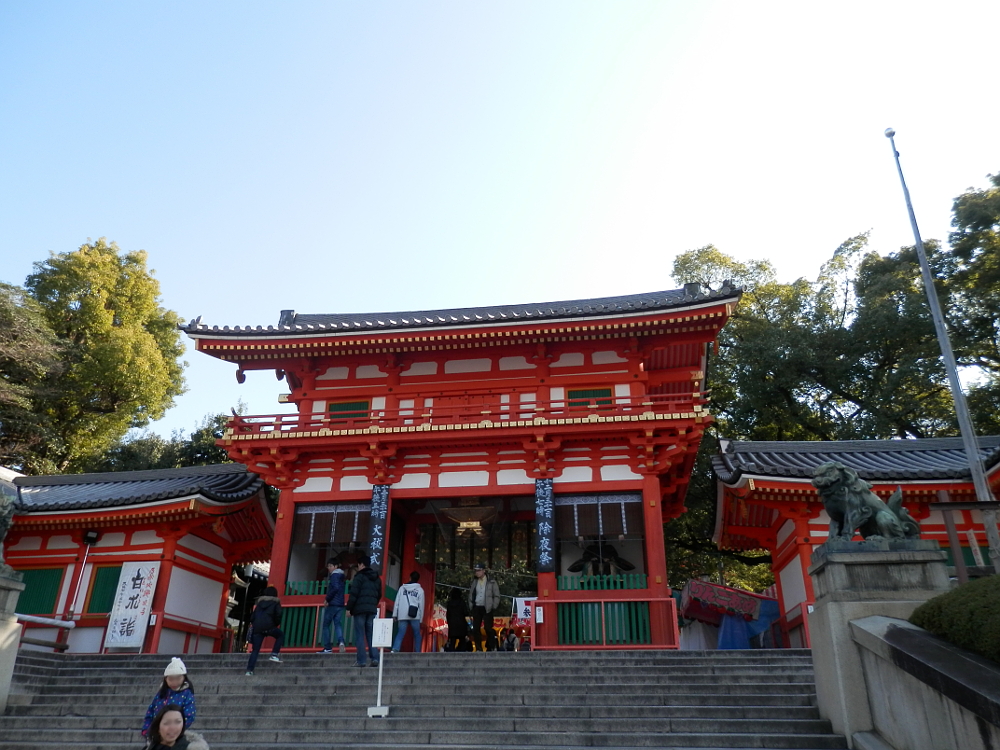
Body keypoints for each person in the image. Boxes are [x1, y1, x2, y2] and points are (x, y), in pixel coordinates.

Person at [142, 658, 196, 738]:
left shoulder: (187, 694)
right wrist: (147, 729)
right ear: (165, 679)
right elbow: (150, 711)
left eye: (178, 678)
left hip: (175, 734)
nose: (174, 682)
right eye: (171, 679)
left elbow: (189, 716)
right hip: (156, 733)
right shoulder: (161, 694)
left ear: (184, 678)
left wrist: (175, 730)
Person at [346, 554, 382, 667]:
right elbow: (379, 594)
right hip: (371, 610)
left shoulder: (359, 577)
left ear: (362, 565)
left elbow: (354, 594)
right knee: (370, 634)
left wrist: (349, 609)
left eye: (358, 565)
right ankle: (375, 658)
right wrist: (372, 605)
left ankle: (361, 661)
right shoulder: (377, 578)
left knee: (360, 635)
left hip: (360, 610)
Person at [245, 585, 284, 675]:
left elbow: (252, 616)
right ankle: (274, 654)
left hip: (257, 628)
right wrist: (275, 624)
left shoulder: (259, 604)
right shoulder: (275, 603)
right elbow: (278, 615)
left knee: (255, 650)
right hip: (269, 627)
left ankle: (249, 671)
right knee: (280, 635)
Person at [467, 562, 500, 652]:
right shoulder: (474, 582)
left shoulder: (492, 582)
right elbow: (471, 594)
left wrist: (494, 606)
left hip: (487, 607)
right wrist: (471, 605)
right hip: (477, 606)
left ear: (484, 571)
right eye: (476, 571)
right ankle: (478, 648)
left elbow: (496, 595)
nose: (477, 572)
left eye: (479, 570)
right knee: (476, 628)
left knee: (488, 628)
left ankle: (493, 646)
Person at [317, 557, 347, 653]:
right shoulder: (341, 576)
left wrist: (327, 599)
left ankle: (327, 647)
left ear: (335, 566)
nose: (329, 568)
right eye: (328, 566)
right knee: (337, 624)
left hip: (333, 603)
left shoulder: (334, 576)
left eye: (330, 566)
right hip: (340, 604)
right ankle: (341, 641)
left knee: (326, 625)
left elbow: (335, 588)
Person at [391, 571, 425, 652]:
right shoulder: (420, 590)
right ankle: (417, 651)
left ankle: (395, 649)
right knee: (417, 634)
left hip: (402, 614)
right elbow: (421, 605)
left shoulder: (402, 588)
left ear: (410, 578)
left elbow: (397, 602)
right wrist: (421, 619)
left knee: (401, 633)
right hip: (415, 615)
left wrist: (395, 614)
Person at [445, 587, 468, 652]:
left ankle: (451, 653)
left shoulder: (450, 603)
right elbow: (466, 612)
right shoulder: (462, 602)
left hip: (452, 624)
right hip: (461, 623)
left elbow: (448, 614)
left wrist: (449, 622)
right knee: (462, 640)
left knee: (453, 641)